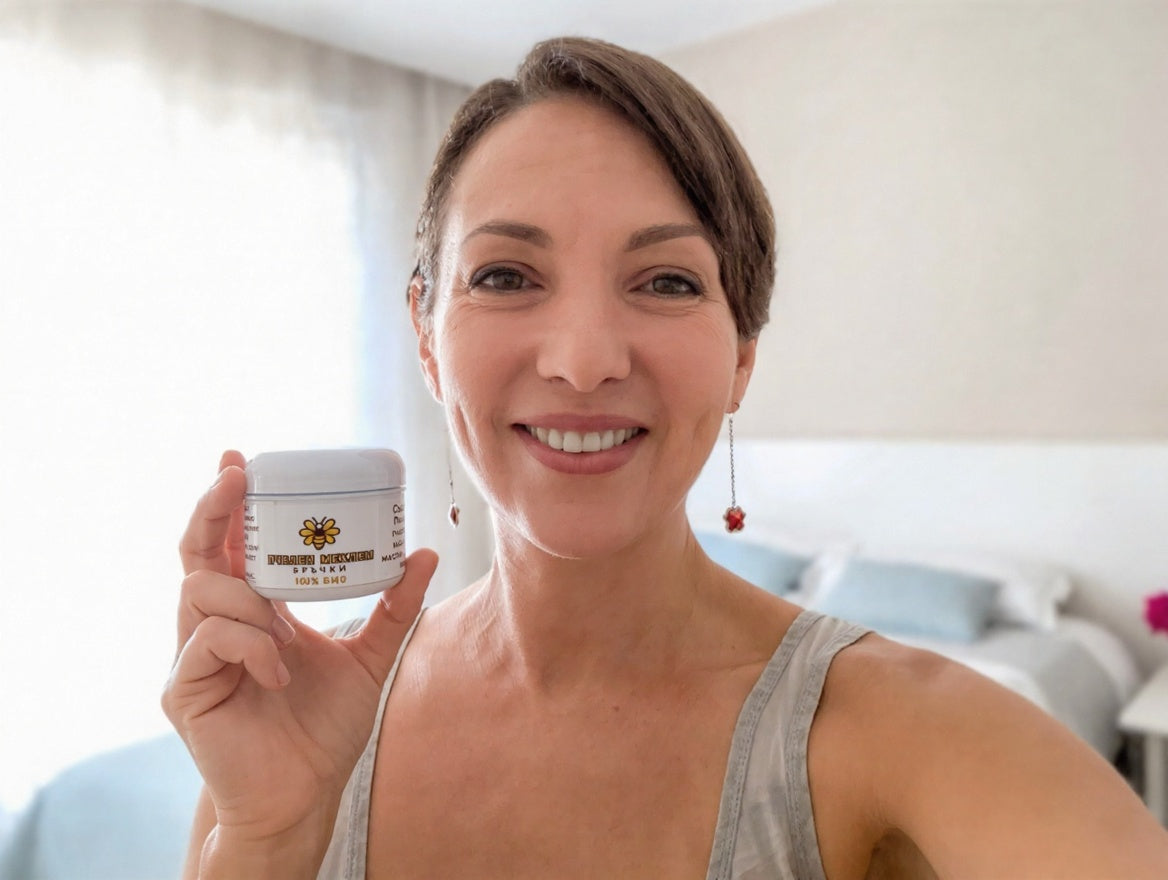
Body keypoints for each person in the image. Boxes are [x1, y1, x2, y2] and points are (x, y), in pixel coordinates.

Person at [163, 37, 1168, 879]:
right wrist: (269, 838)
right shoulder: (303, 698)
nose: (584, 361)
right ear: (426, 337)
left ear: (741, 357)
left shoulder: (918, 732)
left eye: (668, 282)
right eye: (506, 275)